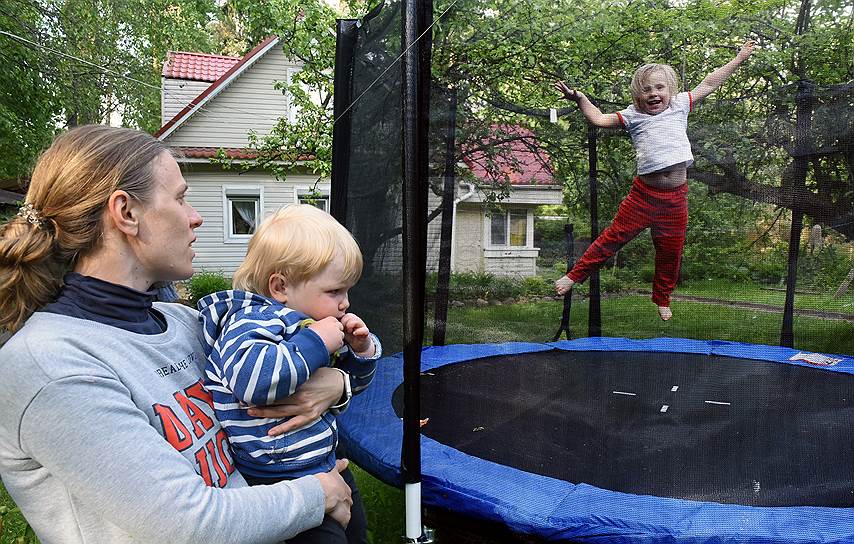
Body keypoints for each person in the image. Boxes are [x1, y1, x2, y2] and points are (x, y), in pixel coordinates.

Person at [0, 125, 354, 544]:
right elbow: (188, 525)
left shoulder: (184, 324)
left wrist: (336, 383)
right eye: (181, 197)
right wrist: (318, 494)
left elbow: (261, 382)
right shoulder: (50, 365)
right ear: (126, 213)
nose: (196, 216)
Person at [197, 204, 381, 544]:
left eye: (346, 291)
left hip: (324, 461)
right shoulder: (248, 324)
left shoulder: (311, 323)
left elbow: (353, 386)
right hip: (278, 479)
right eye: (334, 291)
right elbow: (255, 381)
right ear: (280, 287)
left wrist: (361, 351)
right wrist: (317, 342)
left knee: (357, 533)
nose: (345, 303)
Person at [554, 41, 755, 321]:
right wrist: (580, 99)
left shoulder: (679, 106)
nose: (653, 94)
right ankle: (574, 277)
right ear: (638, 94)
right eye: (646, 89)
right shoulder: (633, 116)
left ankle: (662, 298)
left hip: (675, 199)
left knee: (671, 251)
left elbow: (710, 82)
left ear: (670, 91)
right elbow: (598, 119)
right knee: (612, 238)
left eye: (659, 88)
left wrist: (741, 57)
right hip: (643, 196)